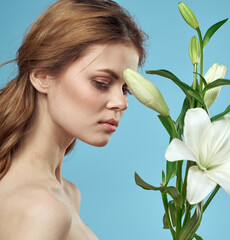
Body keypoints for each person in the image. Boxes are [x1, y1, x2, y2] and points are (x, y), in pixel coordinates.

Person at [0, 0, 147, 239]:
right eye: (101, 83)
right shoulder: (41, 209)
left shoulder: (67, 194)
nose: (121, 103)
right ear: (42, 77)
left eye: (126, 89)